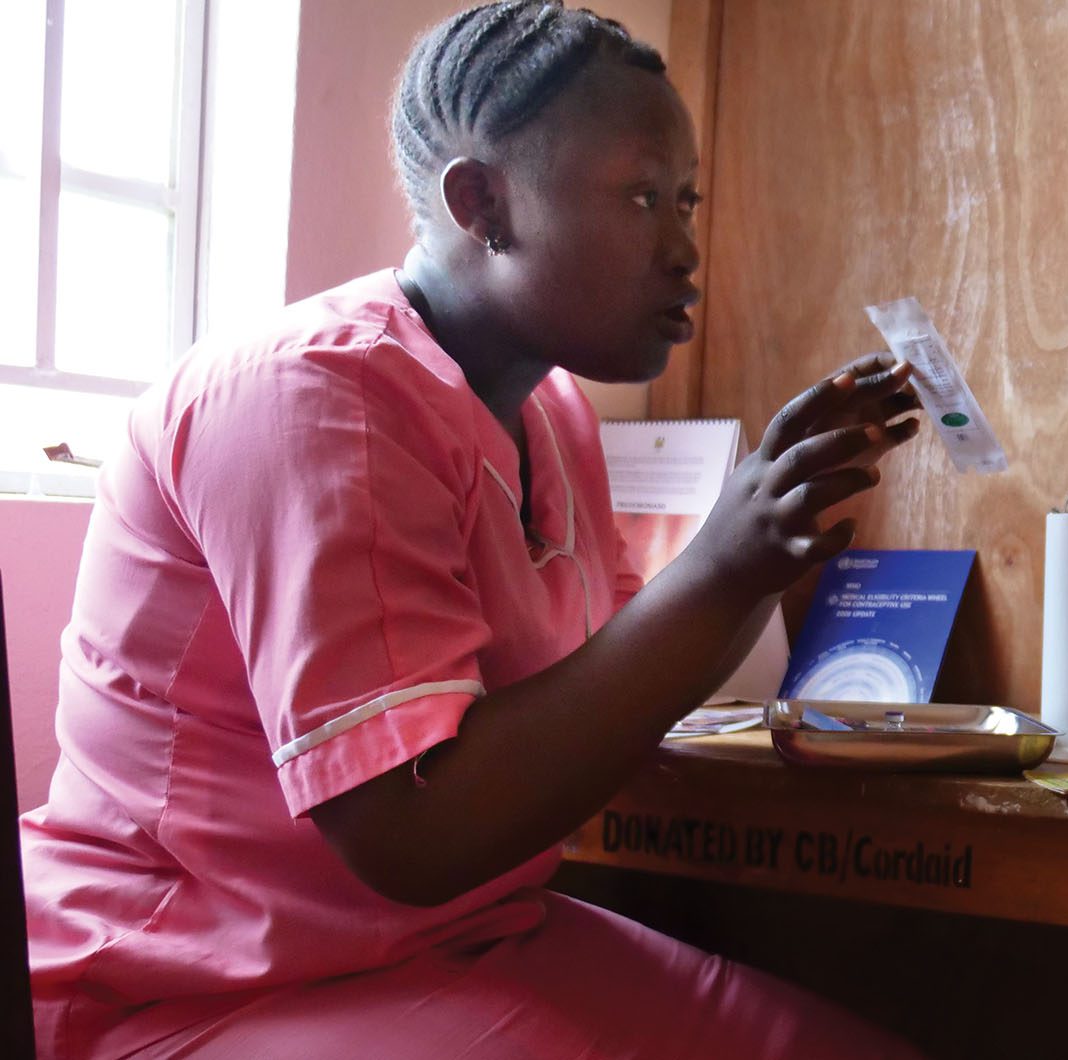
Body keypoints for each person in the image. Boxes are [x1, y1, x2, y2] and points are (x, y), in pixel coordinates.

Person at [19, 3, 924, 1056]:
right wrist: (722, 567)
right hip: (195, 982)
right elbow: (411, 834)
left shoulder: (551, 413)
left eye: (686, 199)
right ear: (482, 201)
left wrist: (776, 541)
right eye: (641, 196)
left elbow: (609, 694)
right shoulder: (311, 397)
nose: (685, 248)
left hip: (459, 941)